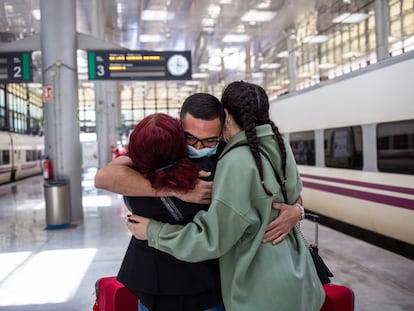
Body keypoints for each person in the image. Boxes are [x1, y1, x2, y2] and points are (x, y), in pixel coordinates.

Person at [126, 82, 325, 311]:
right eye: (191, 138)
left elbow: (212, 239)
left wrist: (153, 231)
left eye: (209, 140)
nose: (200, 147)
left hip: (259, 287)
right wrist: (297, 212)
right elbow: (295, 198)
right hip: (298, 274)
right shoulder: (279, 146)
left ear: (226, 116)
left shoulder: (236, 161)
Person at [118, 112, 224, 311]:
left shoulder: (130, 183)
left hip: (152, 281)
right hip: (203, 279)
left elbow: (105, 176)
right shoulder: (206, 175)